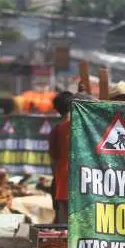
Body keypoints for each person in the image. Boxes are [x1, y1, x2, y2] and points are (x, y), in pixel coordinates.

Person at [48, 91, 74, 223]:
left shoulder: (57, 130)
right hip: (87, 183)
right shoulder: (85, 126)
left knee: (65, 227)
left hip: (63, 182)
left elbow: (54, 159)